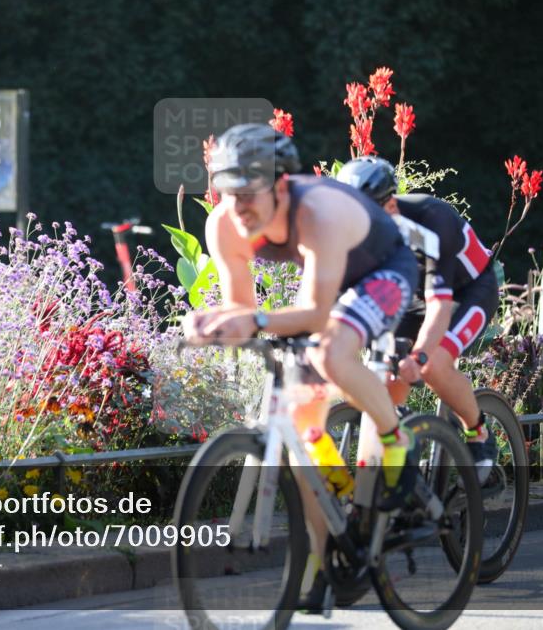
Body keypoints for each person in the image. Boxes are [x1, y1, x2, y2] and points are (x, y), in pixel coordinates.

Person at [181, 124, 420, 610]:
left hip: (382, 270)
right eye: (229, 194)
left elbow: (313, 311)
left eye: (250, 194)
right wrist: (210, 323)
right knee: (302, 427)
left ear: (282, 185)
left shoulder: (317, 212)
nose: (239, 207)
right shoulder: (223, 223)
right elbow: (244, 308)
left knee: (331, 353)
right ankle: (323, 554)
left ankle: (397, 441)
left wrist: (254, 319)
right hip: (330, 281)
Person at [336, 156, 499, 481]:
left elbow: (439, 305)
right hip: (413, 296)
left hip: (469, 291)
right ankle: (391, 477)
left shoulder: (432, 219)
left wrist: (419, 353)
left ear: (391, 205)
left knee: (432, 365)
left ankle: (478, 432)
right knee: (384, 384)